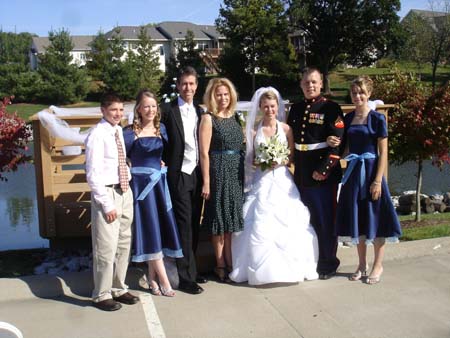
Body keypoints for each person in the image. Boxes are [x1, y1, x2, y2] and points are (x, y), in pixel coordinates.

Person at [229, 87, 319, 285]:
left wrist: (280, 159)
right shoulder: (254, 131)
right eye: (266, 106)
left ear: (277, 107)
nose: (269, 110)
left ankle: (292, 267)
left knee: (289, 220)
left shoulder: (286, 129)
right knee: (259, 222)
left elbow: (291, 157)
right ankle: (258, 270)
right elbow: (251, 161)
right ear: (260, 107)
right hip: (262, 180)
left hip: (282, 180)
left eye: (272, 106)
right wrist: (263, 161)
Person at [333, 76, 401, 285]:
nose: (358, 96)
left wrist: (378, 181)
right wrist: (332, 144)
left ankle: (377, 265)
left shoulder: (377, 119)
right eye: (354, 92)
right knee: (358, 220)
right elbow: (345, 149)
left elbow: (383, 153)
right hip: (354, 175)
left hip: (372, 173)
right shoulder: (349, 117)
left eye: (361, 92)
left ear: (369, 94)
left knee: (376, 219)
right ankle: (361, 265)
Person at [124, 90, 183, 297]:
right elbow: (120, 157)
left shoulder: (162, 129)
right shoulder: (129, 132)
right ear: (138, 108)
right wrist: (129, 162)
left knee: (157, 229)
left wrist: (161, 162)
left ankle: (152, 277)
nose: (150, 110)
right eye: (146, 106)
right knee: (149, 227)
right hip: (141, 188)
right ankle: (164, 280)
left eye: (153, 106)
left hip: (159, 185)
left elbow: (162, 154)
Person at [287, 67, 344, 280]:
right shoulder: (296, 108)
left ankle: (328, 262)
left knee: (325, 220)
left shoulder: (331, 108)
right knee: (305, 219)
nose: (310, 86)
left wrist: (324, 170)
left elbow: (337, 143)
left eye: (314, 82)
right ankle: (309, 259)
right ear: (301, 85)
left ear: (321, 84)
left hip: (322, 177)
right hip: (301, 173)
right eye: (306, 83)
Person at [85, 94, 139, 311]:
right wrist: (106, 204)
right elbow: (93, 174)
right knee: (106, 247)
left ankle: (118, 287)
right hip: (107, 194)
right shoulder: (97, 135)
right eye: (113, 110)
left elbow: (119, 159)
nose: (118, 114)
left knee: (124, 243)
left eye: (120, 109)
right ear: (102, 110)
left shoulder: (117, 130)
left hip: (124, 190)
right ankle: (102, 294)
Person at [160, 66, 205, 294]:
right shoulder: (167, 110)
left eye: (192, 84)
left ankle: (193, 270)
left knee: (195, 224)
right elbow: (153, 132)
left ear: (197, 86)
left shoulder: (200, 111)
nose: (188, 88)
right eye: (184, 84)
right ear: (178, 86)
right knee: (184, 224)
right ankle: (185, 278)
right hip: (178, 174)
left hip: (197, 173)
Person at [199, 78, 244, 283]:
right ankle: (220, 265)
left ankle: (231, 261)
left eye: (226, 94)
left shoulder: (235, 117)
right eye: (219, 94)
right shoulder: (208, 118)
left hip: (235, 171)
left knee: (230, 221)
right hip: (218, 170)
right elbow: (204, 153)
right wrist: (207, 181)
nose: (223, 98)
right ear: (212, 96)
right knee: (219, 220)